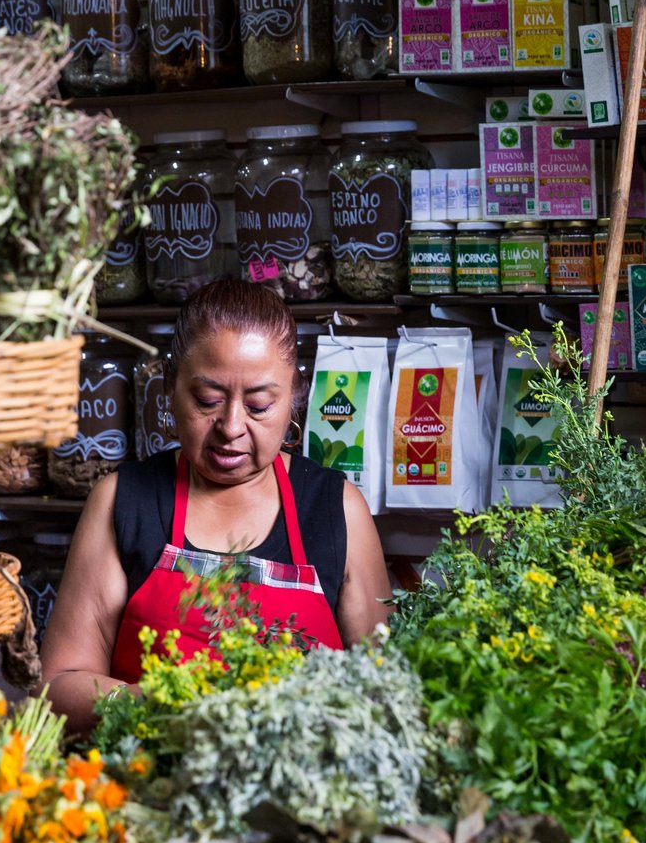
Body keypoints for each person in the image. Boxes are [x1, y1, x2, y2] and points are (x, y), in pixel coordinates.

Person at [41, 280, 390, 730]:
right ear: (171, 390)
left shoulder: (336, 508)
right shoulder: (124, 501)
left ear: (292, 401)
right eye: (207, 400)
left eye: (260, 405)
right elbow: (60, 686)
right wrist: (171, 707)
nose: (231, 426)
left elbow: (385, 689)